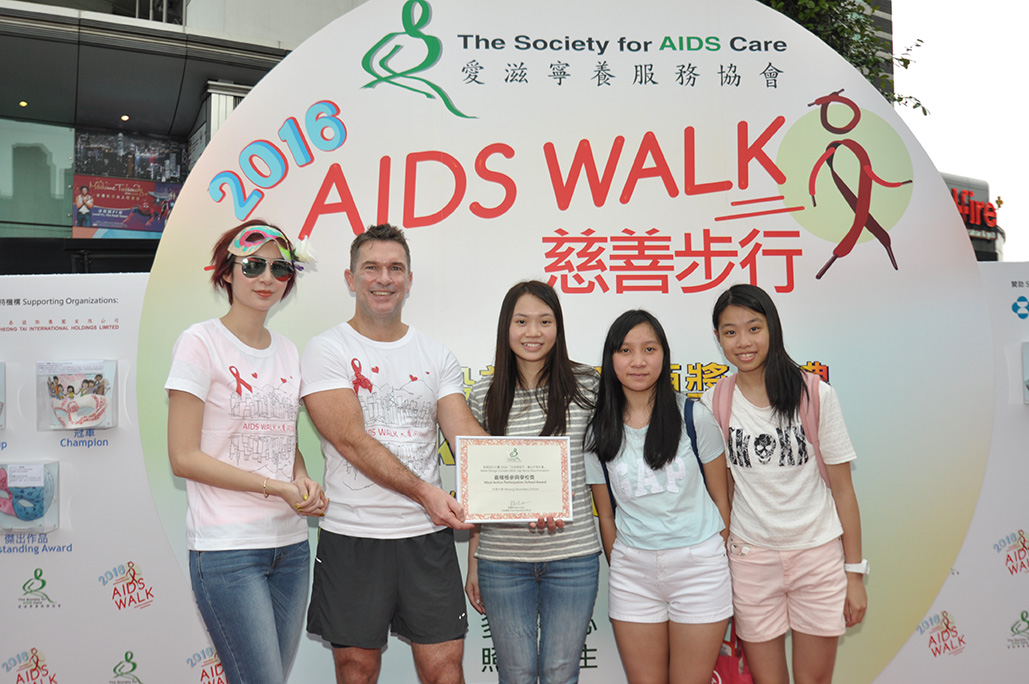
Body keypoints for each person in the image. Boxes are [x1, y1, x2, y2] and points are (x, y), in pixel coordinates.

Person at [301, 223, 485, 684]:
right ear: (351, 278)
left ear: (409, 279)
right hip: (353, 535)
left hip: (426, 537)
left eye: (395, 268)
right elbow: (350, 439)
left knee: (444, 668)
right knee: (357, 669)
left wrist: (525, 492)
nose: (384, 278)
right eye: (372, 268)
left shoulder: (436, 355)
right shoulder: (326, 349)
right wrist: (425, 493)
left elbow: (467, 439)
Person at [165, 220, 325, 684]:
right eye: (253, 265)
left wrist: (301, 477)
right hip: (228, 550)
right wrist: (275, 487)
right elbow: (183, 457)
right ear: (227, 272)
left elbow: (283, 440)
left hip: (290, 548)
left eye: (279, 268)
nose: (266, 278)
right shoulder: (199, 342)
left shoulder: (289, 351)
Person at [701, 283, 867, 684]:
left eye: (754, 328)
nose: (743, 342)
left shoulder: (815, 395)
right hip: (751, 559)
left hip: (817, 555)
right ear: (718, 338)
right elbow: (722, 492)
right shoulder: (714, 402)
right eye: (730, 332)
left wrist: (854, 574)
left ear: (772, 328)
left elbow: (843, 490)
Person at [464, 281, 602, 684]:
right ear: (506, 327)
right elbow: (481, 488)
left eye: (545, 321)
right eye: (521, 321)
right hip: (502, 561)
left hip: (573, 555)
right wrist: (474, 561)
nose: (533, 332)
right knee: (517, 673)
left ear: (558, 327)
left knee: (561, 672)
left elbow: (601, 467)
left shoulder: (587, 386)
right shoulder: (483, 394)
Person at [585, 310, 732, 684]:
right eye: (625, 350)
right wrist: (623, 562)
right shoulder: (598, 431)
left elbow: (722, 499)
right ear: (611, 358)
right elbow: (606, 514)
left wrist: (713, 551)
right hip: (633, 574)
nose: (638, 361)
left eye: (649, 349)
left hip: (699, 568)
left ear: (664, 355)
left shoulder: (694, 417)